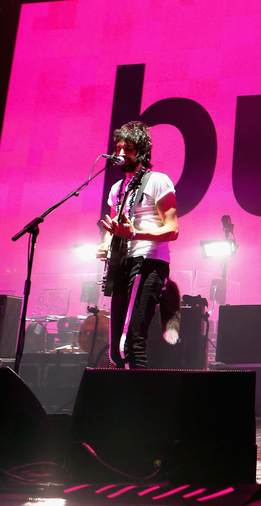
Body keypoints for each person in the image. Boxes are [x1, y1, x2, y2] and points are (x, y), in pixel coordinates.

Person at [97, 121, 179, 368]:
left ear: (141, 151)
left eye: (128, 149)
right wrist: (105, 245)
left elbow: (172, 229)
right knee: (115, 351)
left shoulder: (158, 181)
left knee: (131, 342)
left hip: (149, 262)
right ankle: (126, 388)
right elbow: (113, 228)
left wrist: (135, 234)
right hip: (122, 263)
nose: (121, 154)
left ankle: (139, 391)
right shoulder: (117, 189)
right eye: (118, 149)